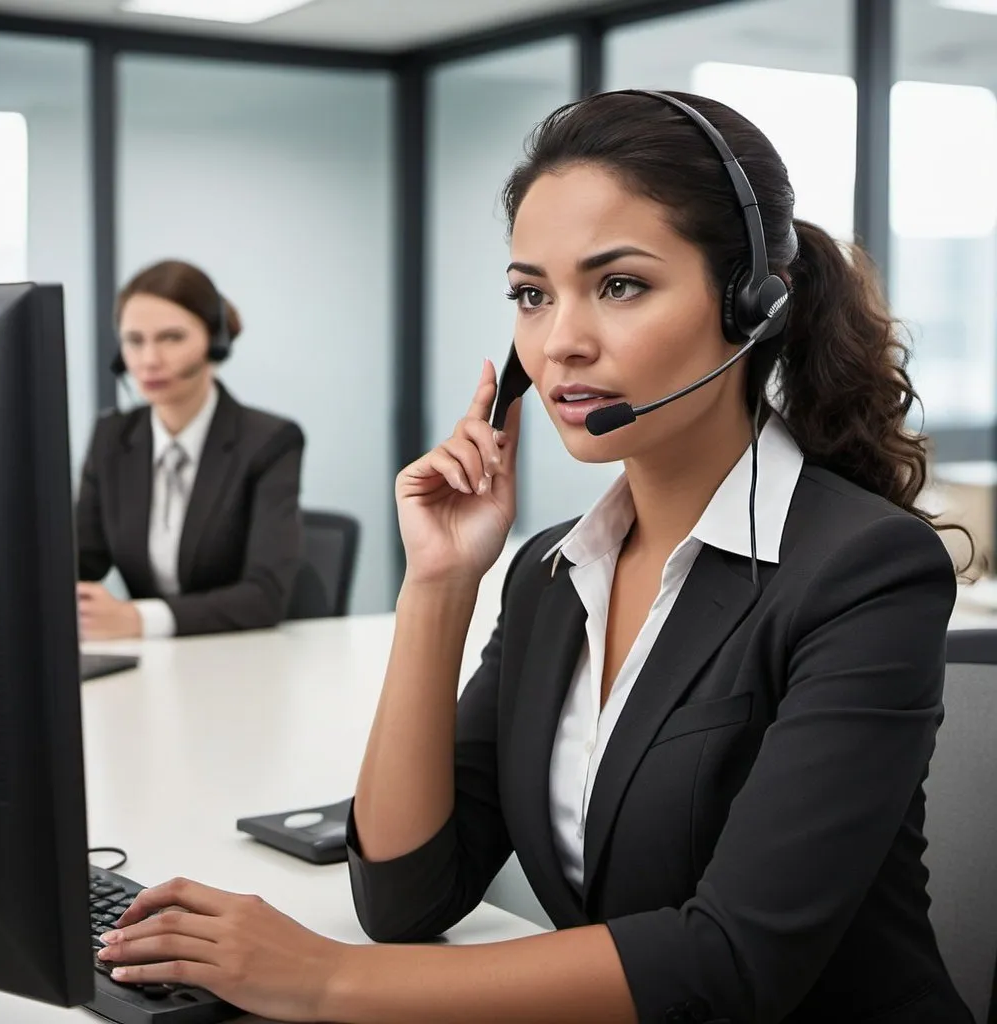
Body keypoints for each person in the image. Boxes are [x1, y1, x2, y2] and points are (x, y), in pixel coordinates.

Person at [94, 92, 973, 1023]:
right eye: (531, 294)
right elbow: (405, 896)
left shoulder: (865, 571)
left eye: (620, 284)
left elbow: (731, 961)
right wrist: (438, 582)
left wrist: (320, 980)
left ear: (751, 304)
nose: (561, 342)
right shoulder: (555, 571)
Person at [76, 259, 304, 640]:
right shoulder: (111, 438)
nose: (149, 360)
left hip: (242, 660)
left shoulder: (269, 441)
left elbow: (263, 597)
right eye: (134, 340)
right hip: (150, 667)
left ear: (214, 342)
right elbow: (80, 559)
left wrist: (138, 620)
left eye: (172, 338)